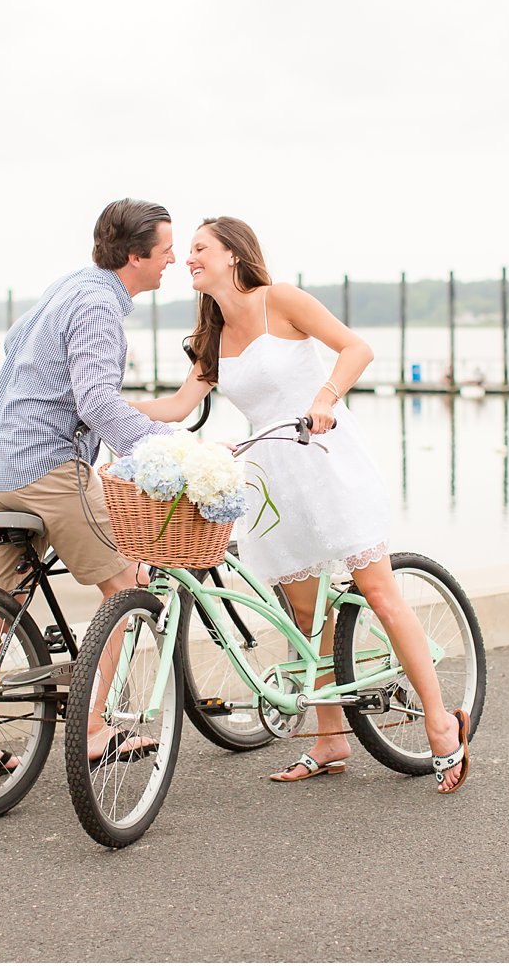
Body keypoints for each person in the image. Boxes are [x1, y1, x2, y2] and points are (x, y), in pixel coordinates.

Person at [127, 216, 472, 793]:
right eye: (186, 251)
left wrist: (325, 397)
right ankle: (331, 739)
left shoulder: (279, 300)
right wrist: (112, 405)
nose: (188, 258)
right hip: (270, 480)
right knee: (306, 616)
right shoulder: (211, 335)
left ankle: (441, 725)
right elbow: (181, 404)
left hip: (324, 455)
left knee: (380, 594)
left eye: (199, 248)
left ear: (234, 255)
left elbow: (355, 348)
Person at [0, 198, 177, 782]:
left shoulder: (73, 284)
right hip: (47, 469)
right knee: (126, 584)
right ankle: (92, 729)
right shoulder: (103, 307)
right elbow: (98, 400)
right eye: (165, 251)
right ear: (136, 256)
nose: (174, 260)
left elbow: (14, 345)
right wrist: (162, 446)